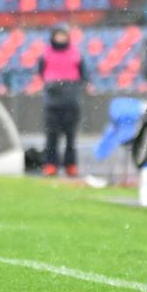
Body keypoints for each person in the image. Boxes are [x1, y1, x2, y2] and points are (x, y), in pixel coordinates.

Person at [37, 23, 88, 177]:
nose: (61, 38)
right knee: (52, 136)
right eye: (58, 35)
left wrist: (72, 87)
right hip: (52, 101)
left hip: (71, 100)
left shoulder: (75, 53)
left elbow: (83, 74)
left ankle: (70, 165)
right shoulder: (46, 54)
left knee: (70, 136)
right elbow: (41, 72)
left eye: (63, 35)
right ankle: (50, 164)